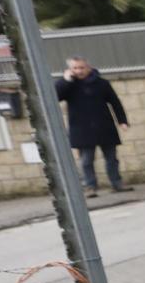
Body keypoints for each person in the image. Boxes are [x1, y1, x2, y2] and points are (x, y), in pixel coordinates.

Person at [55, 56, 129, 198]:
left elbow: (115, 102)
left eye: (82, 67)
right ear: (70, 70)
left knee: (112, 158)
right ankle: (90, 187)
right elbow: (56, 96)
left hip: (104, 126)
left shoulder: (101, 83)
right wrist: (66, 80)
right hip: (82, 129)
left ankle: (117, 183)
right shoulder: (68, 85)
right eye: (75, 68)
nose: (79, 71)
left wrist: (122, 121)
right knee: (86, 161)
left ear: (88, 68)